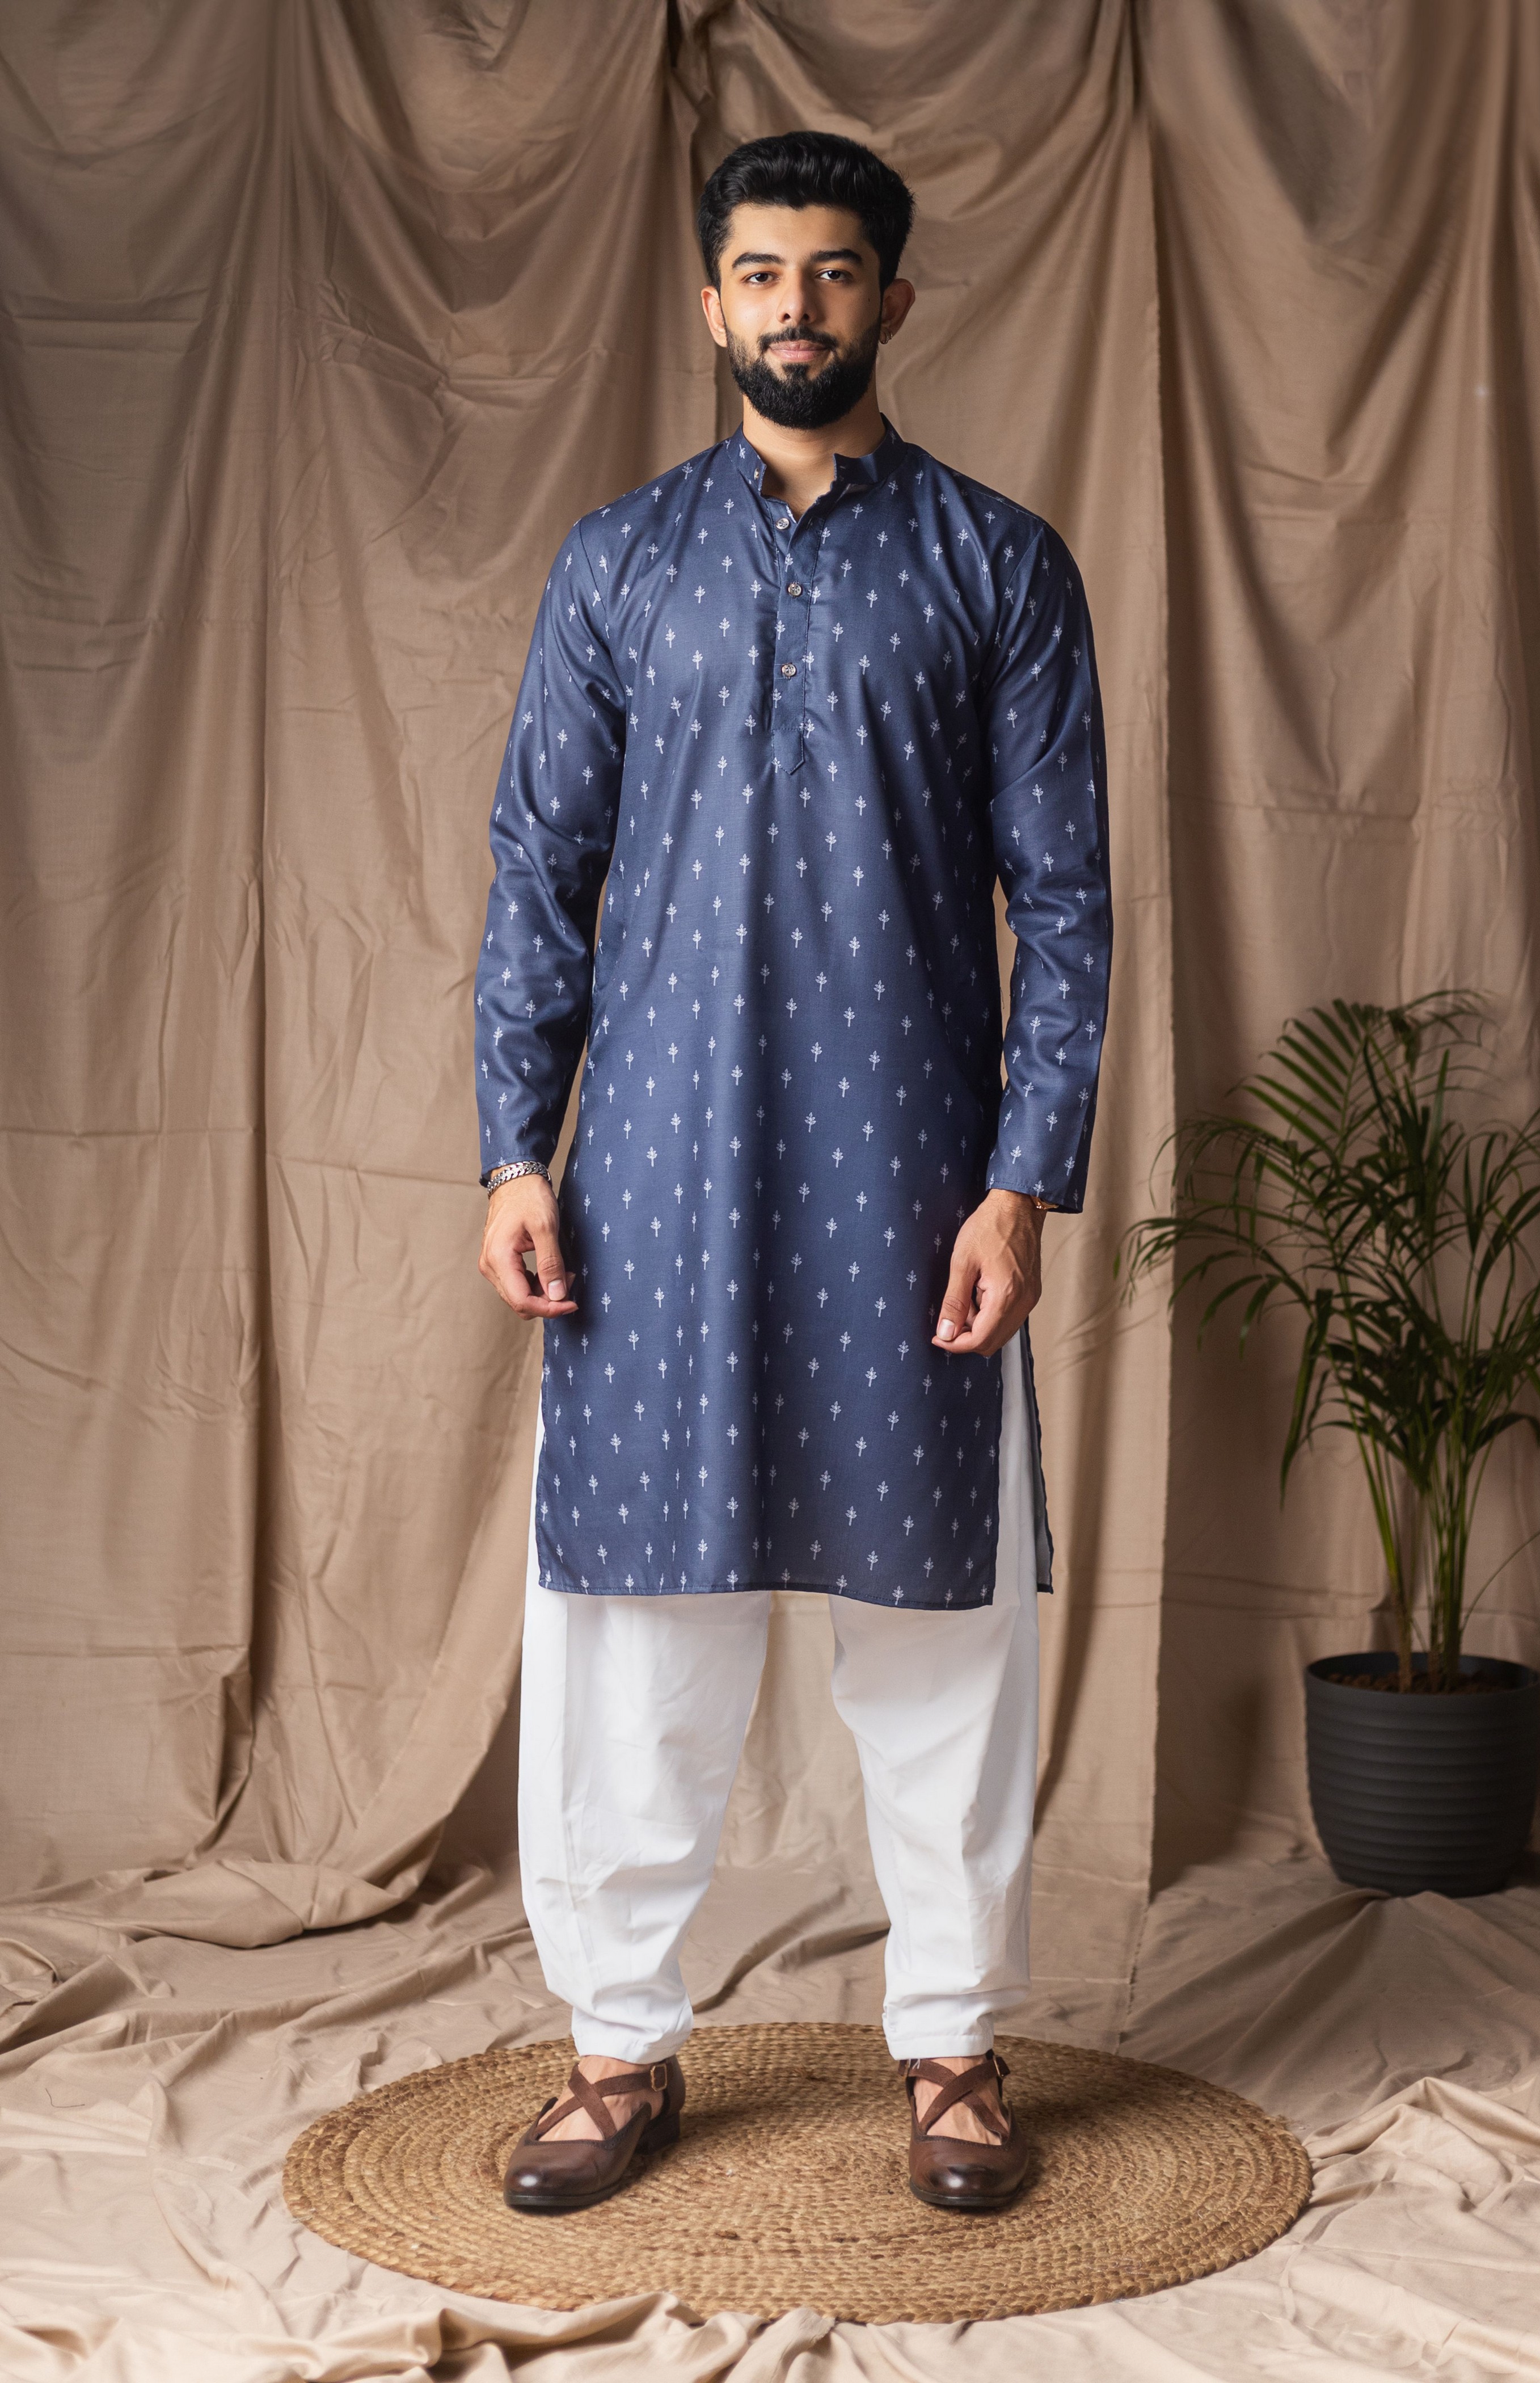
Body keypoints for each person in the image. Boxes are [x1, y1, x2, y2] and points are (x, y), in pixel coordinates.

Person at [474, 129, 1110, 2215]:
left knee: (938, 1635)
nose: (797, 308)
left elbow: (1066, 904)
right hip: (653, 1175)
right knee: (633, 1634)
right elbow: (539, 873)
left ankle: (954, 2049)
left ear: (892, 302)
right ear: (712, 301)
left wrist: (1022, 1183)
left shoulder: (999, 565)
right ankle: (617, 2050)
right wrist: (514, 1149)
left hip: (915, 1179)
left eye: (835, 274)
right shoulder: (617, 564)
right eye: (762, 273)